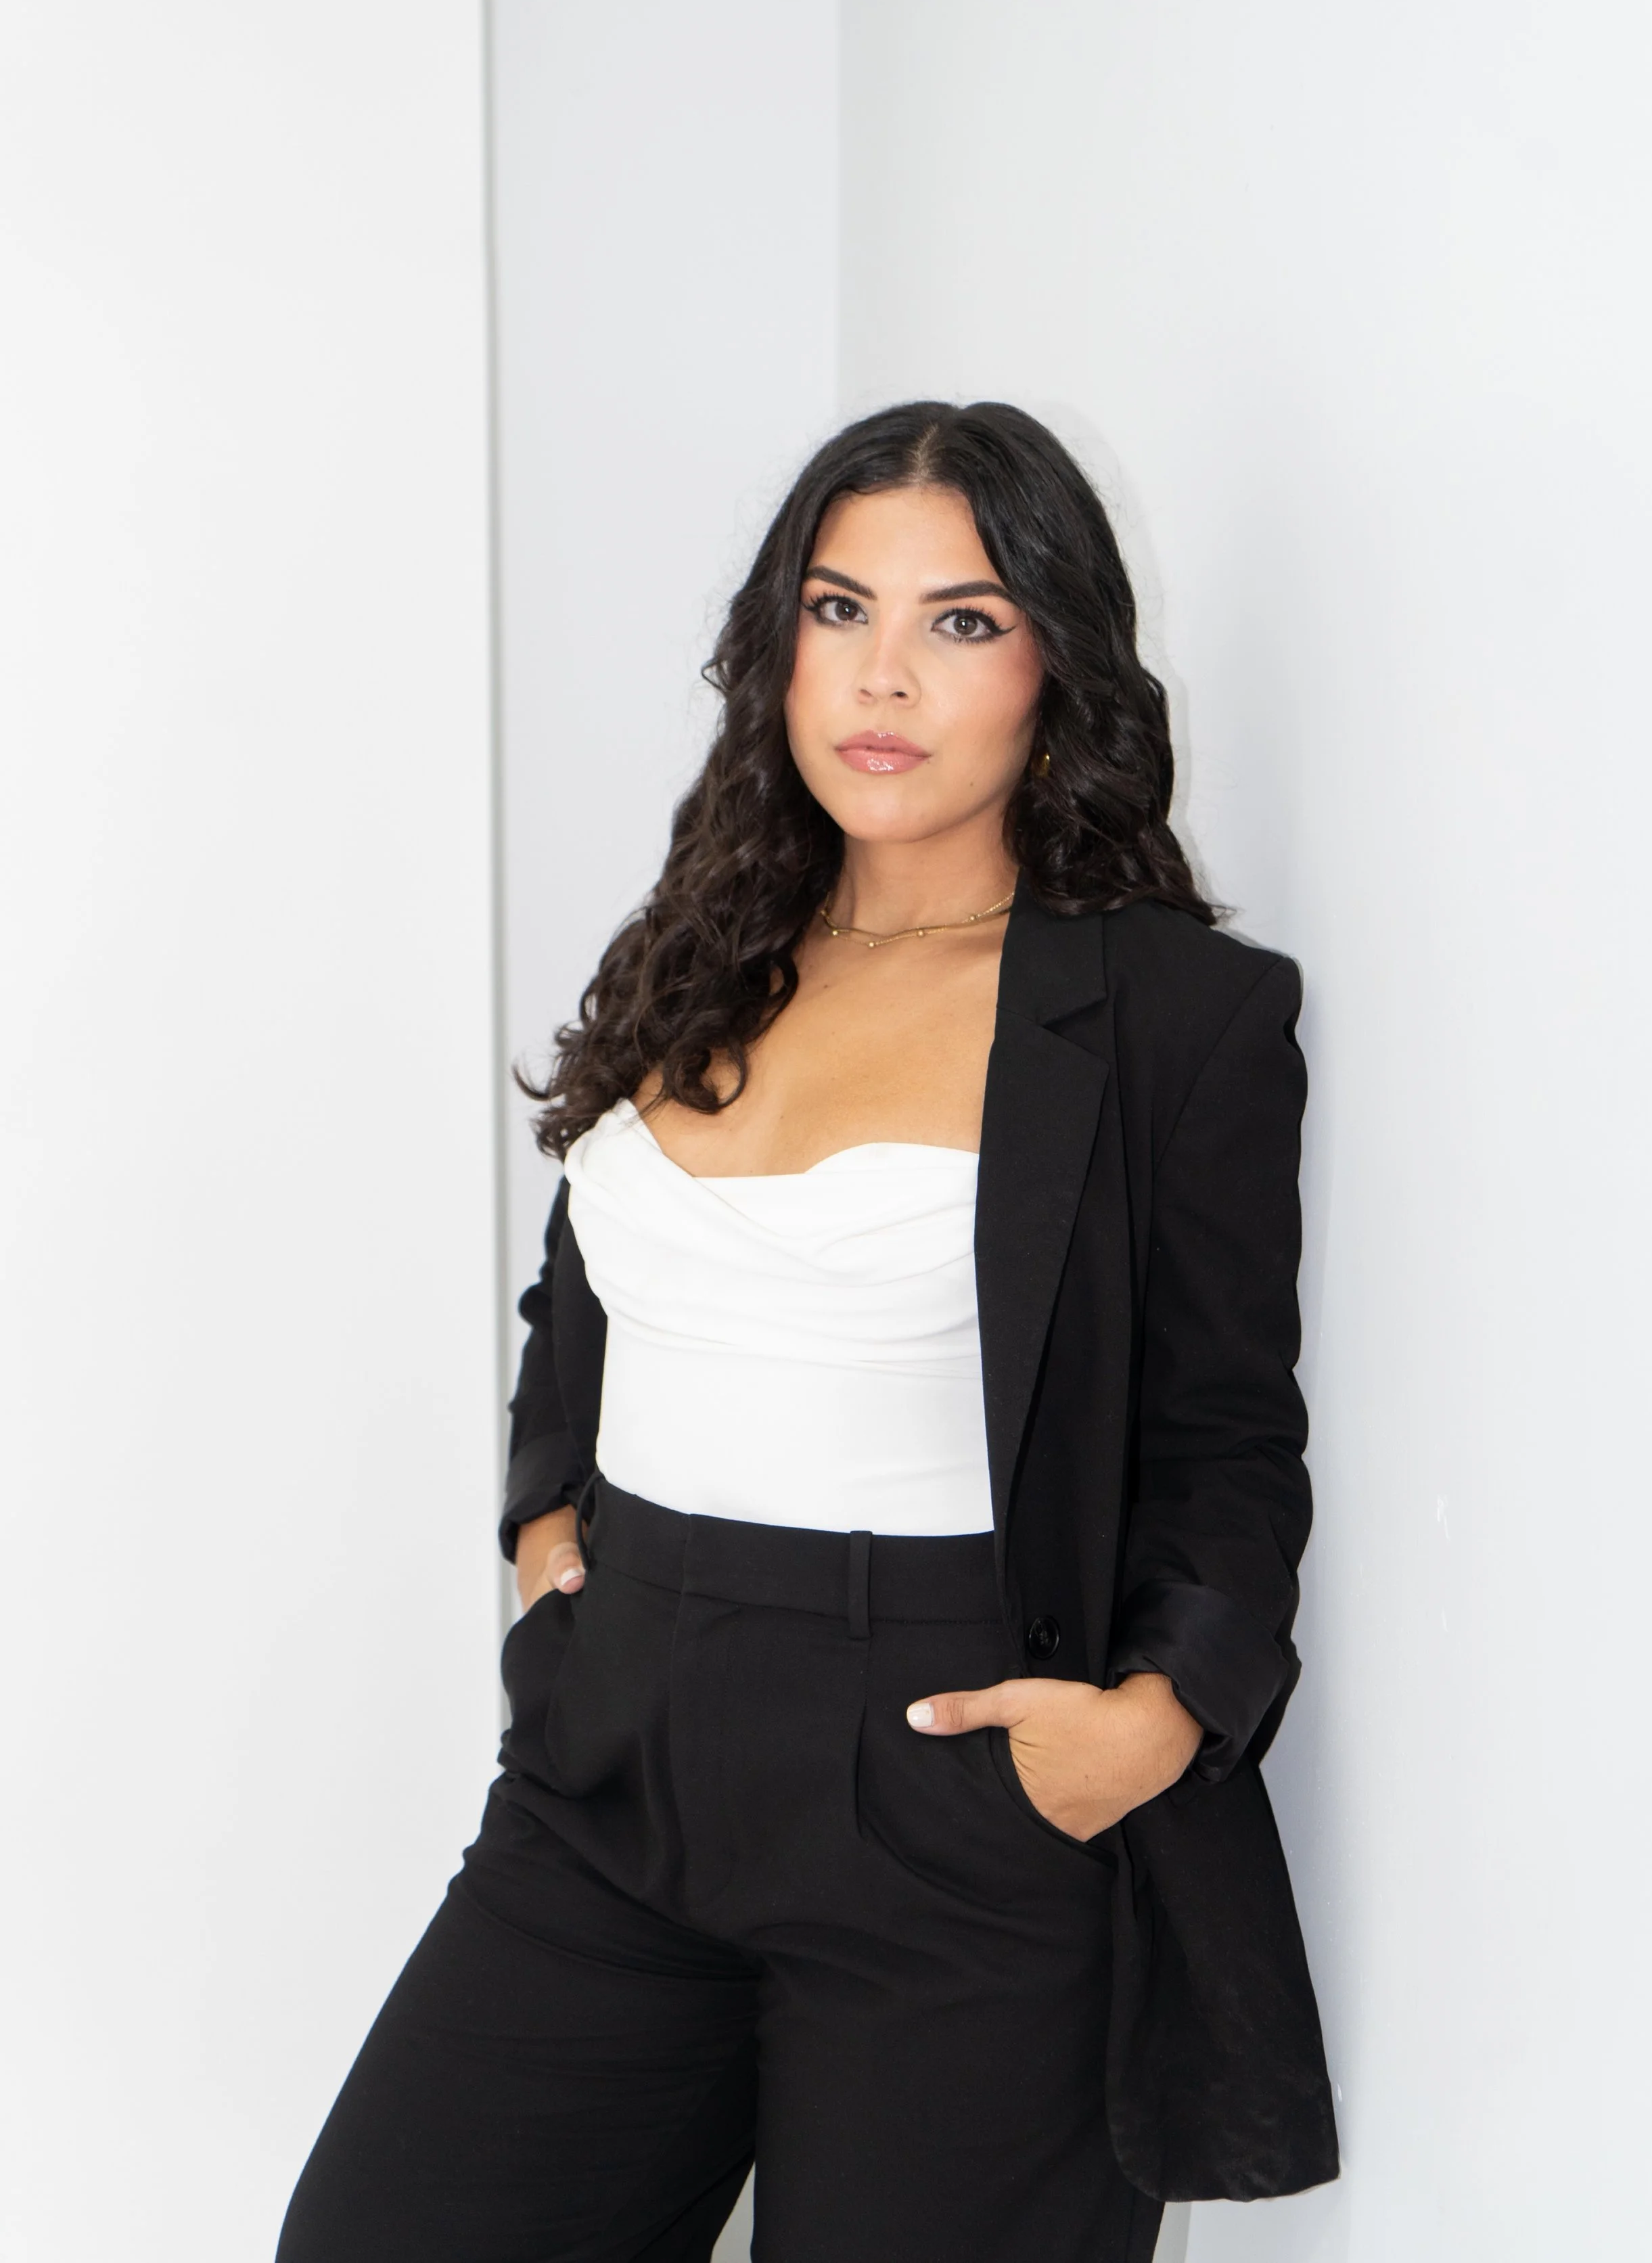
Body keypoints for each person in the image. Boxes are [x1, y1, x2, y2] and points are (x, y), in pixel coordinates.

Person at [278, 401, 1338, 2263]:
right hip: (617, 1756)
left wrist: (1153, 1719)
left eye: (960, 620)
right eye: (838, 608)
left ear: (1055, 662)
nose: (881, 676)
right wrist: (544, 1523)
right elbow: (590, 1286)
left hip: (955, 1782)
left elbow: (1228, 1431)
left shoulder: (1169, 1015)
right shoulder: (704, 941)